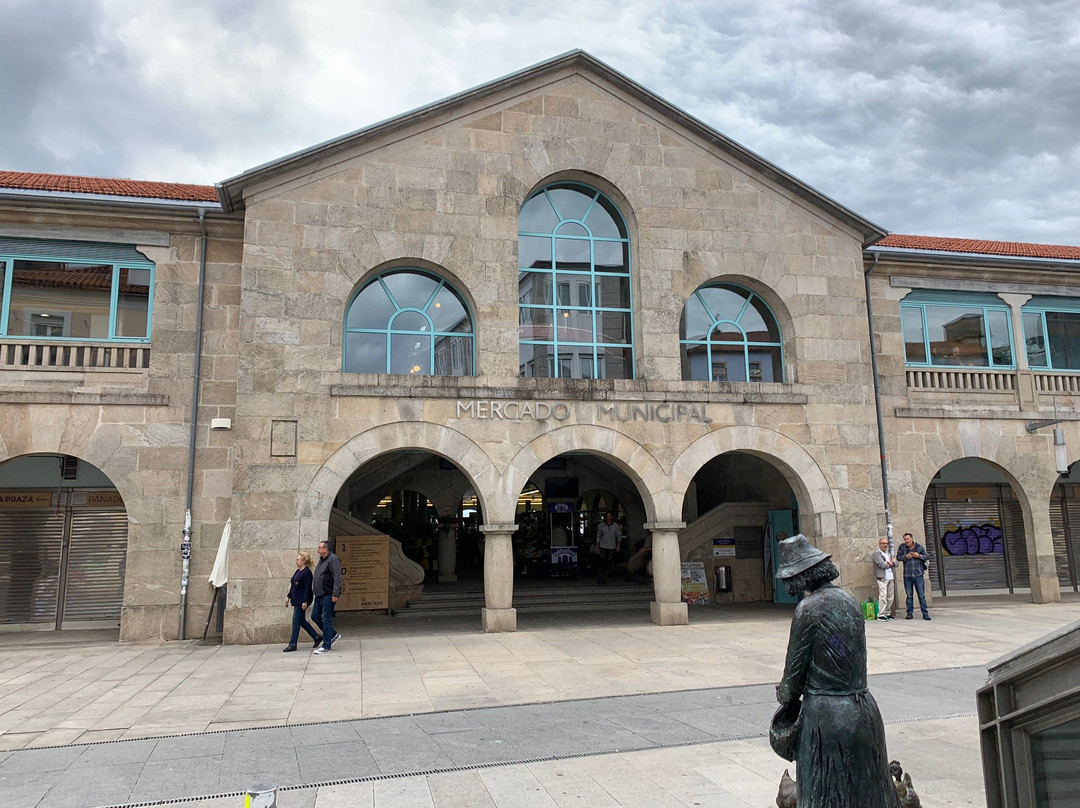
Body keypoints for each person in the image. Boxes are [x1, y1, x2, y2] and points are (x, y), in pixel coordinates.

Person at [772, 534, 902, 807]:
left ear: (800, 576)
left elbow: (792, 679)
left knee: (825, 793)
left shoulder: (807, 609)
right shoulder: (850, 601)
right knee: (868, 791)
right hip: (863, 710)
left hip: (826, 719)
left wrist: (784, 694)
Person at [283, 551, 322, 652]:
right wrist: (288, 596)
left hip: (302, 600)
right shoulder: (298, 571)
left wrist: (305, 601)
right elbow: (293, 586)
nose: (296, 561)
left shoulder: (307, 572)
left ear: (303, 561)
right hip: (296, 599)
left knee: (296, 622)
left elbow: (307, 588)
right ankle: (316, 637)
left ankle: (293, 644)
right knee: (301, 621)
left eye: (298, 560)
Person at [311, 540, 343, 654]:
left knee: (326, 619)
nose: (318, 550)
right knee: (315, 616)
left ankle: (326, 645)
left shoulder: (333, 560)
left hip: (328, 595)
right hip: (319, 595)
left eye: (320, 548)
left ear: (326, 549)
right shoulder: (322, 560)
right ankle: (333, 634)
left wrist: (335, 593)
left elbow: (337, 578)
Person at [898, 532, 931, 620]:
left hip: (918, 574)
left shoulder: (918, 547)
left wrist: (918, 555)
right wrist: (905, 557)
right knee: (909, 595)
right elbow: (898, 557)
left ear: (911, 539)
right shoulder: (902, 547)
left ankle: (925, 613)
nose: (906, 541)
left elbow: (927, 556)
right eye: (905, 539)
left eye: (908, 539)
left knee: (921, 595)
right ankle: (909, 613)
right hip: (907, 575)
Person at [872, 538, 897, 620]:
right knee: (883, 595)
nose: (885, 545)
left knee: (890, 596)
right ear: (879, 544)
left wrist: (890, 563)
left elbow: (896, 563)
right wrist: (891, 563)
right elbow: (882, 565)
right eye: (883, 543)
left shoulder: (890, 553)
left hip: (890, 577)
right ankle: (881, 614)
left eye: (886, 543)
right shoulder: (877, 554)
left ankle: (887, 612)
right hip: (882, 577)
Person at [595, 511, 622, 585]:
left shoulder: (615, 526)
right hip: (603, 546)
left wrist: (618, 545)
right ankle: (600, 577)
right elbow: (598, 536)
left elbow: (618, 535)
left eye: (610, 516)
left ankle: (605, 578)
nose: (608, 517)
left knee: (608, 563)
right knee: (602, 562)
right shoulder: (601, 526)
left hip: (611, 546)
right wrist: (597, 546)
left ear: (611, 517)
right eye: (607, 516)